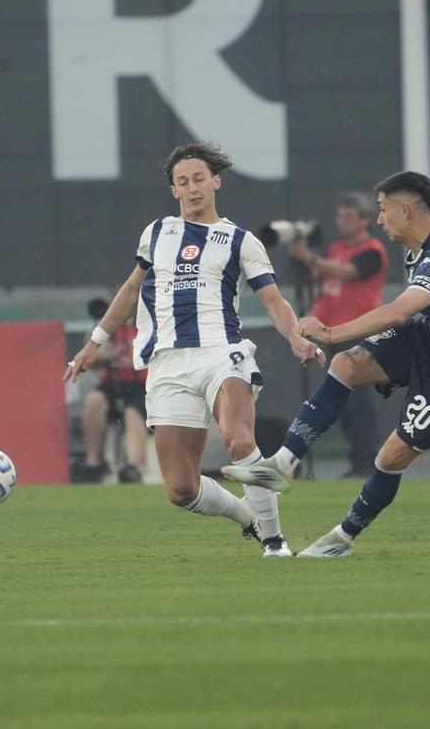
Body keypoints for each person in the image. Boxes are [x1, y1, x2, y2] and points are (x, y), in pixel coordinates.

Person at [223, 171, 430, 557]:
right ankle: (281, 465)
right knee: (346, 365)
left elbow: (399, 312)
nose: (379, 219)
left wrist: (332, 331)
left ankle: (342, 538)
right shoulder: (423, 246)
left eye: (384, 210)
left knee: (389, 457)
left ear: (406, 209)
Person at [64, 142, 322, 557]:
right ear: (174, 190)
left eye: (199, 179)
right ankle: (250, 516)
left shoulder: (241, 240)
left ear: (215, 181)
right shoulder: (157, 233)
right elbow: (132, 290)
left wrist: (294, 335)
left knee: (239, 442)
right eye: (182, 182)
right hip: (167, 363)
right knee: (181, 489)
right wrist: (95, 342)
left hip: (222, 353)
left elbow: (273, 299)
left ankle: (275, 543)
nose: (192, 188)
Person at [287, 191, 388, 479]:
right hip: (332, 333)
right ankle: (358, 459)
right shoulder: (336, 249)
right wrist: (303, 260)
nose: (342, 222)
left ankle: (367, 461)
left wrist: (310, 258)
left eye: (349, 217)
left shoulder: (372, 250)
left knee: (359, 402)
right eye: (340, 216)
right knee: (342, 403)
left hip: (357, 331)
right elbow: (324, 278)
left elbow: (349, 273)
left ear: (365, 220)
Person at [72, 317, 149, 485]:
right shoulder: (105, 327)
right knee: (94, 400)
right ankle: (93, 463)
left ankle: (133, 467)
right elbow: (90, 365)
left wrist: (131, 354)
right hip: (112, 384)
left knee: (132, 412)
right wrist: (102, 356)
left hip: (141, 385)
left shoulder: (148, 323)